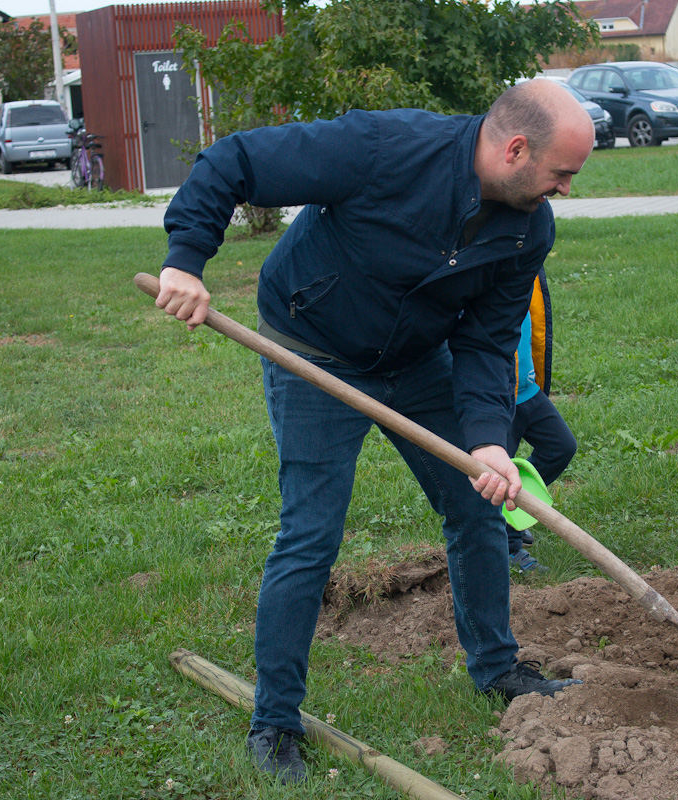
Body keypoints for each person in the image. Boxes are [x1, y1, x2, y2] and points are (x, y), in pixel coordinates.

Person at [154, 80, 594, 785]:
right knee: (311, 532)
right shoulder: (385, 148)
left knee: (477, 503)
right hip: (312, 352)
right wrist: (185, 258)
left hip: (417, 361)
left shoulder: (528, 227)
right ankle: (275, 719)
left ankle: (497, 669)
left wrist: (487, 438)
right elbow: (235, 161)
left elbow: (486, 341)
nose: (566, 189)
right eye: (561, 173)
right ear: (515, 149)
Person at [505, 268, 577, 572]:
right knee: (495, 474)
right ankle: (508, 547)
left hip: (527, 390)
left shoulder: (526, 270)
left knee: (560, 447)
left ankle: (516, 507)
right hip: (496, 398)